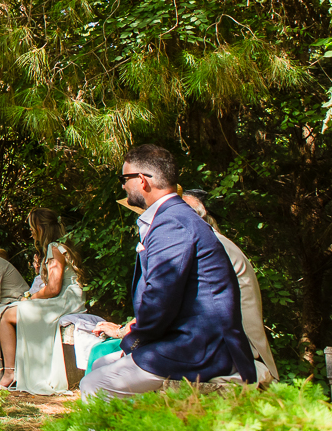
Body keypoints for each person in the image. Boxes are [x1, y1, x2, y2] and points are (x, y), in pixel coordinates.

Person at [81, 145, 255, 399]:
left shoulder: (172, 222)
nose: (122, 187)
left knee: (94, 385)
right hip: (187, 341)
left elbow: (160, 299)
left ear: (141, 181)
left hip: (200, 349)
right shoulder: (173, 217)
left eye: (124, 179)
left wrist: (133, 343)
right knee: (100, 365)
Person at [182, 189, 278, 382]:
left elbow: (181, 306)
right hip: (226, 346)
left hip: (238, 354)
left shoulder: (209, 245)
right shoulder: (214, 242)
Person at [0, 209, 86, 393]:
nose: (31, 232)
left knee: (6, 314)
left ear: (41, 228)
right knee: (9, 311)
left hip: (65, 300)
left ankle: (10, 373)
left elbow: (53, 288)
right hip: (70, 297)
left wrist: (31, 298)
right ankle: (12, 372)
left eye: (32, 227)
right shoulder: (62, 245)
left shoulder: (54, 248)